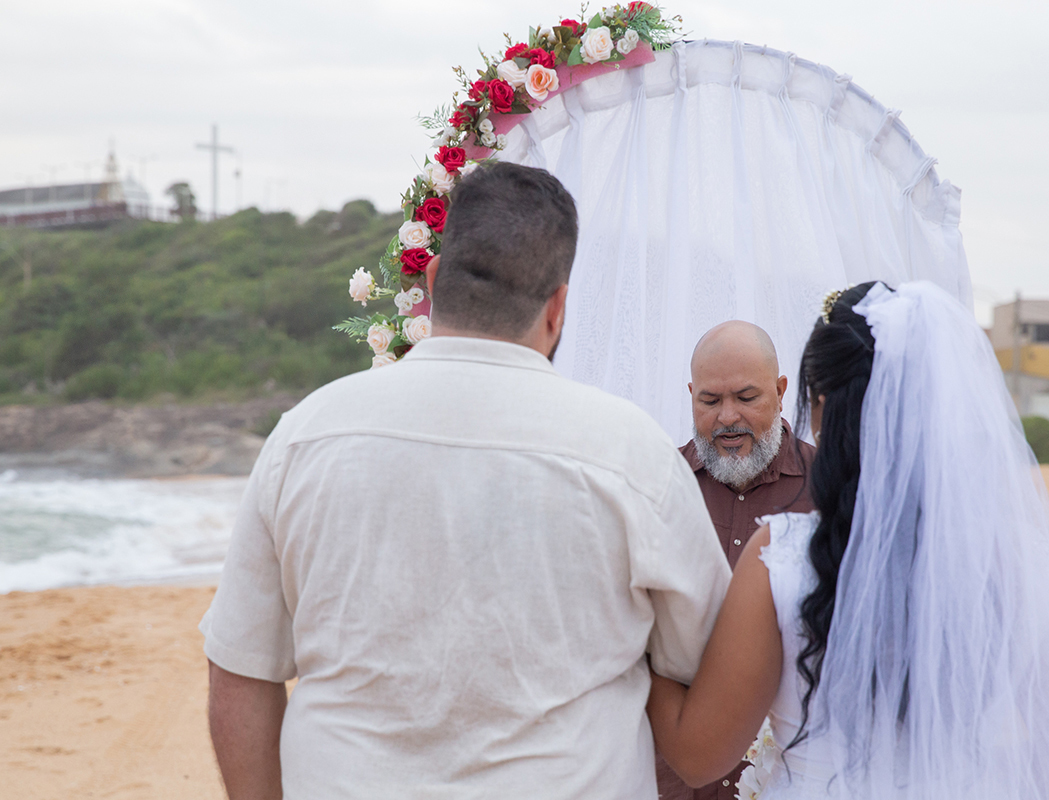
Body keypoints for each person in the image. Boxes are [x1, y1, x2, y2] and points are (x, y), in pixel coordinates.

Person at [200, 162, 732, 800]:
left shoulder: (306, 434)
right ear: (558, 307)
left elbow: (240, 672)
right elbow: (706, 663)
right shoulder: (630, 452)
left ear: (430, 282)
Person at [647, 281, 1049, 800]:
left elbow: (697, 755)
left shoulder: (781, 558)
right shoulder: (1029, 564)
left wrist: (639, 646)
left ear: (819, 404)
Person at [658, 322, 816, 800]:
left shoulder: (832, 493)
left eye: (746, 398)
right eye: (709, 401)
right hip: (670, 780)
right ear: (690, 396)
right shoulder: (657, 487)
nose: (728, 417)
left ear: (781, 390)